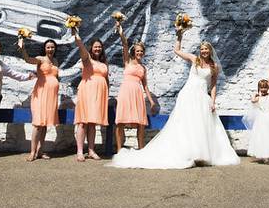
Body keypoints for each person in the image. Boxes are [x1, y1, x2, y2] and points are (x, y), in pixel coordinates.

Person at [109, 26, 240, 169]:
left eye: (206, 49)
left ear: (210, 50)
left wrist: (213, 102)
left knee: (200, 125)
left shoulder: (214, 66)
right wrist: (179, 35)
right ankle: (188, 152)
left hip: (202, 97)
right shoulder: (194, 59)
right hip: (188, 94)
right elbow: (177, 51)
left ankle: (201, 154)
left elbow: (213, 86)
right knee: (185, 124)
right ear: (200, 50)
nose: (204, 51)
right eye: (202, 49)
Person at [114, 23, 158, 151]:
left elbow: (145, 85)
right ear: (134, 52)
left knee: (140, 122)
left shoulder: (143, 68)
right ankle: (118, 149)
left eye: (141, 51)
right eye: (137, 51)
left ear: (143, 53)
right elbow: (125, 45)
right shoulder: (127, 61)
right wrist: (121, 32)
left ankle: (141, 148)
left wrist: (151, 101)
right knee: (121, 121)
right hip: (125, 92)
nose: (139, 53)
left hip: (137, 93)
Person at [18, 37, 60, 161]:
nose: (50, 49)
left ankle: (40, 151)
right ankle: (32, 152)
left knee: (45, 124)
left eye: (52, 47)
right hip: (41, 94)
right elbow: (28, 59)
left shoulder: (56, 61)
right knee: (37, 124)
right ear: (45, 48)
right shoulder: (41, 59)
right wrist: (23, 49)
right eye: (48, 47)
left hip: (52, 96)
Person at [72, 26, 109, 161]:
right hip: (87, 92)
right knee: (83, 122)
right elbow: (81, 48)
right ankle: (80, 151)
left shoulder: (104, 63)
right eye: (95, 47)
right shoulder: (87, 60)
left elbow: (106, 80)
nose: (97, 49)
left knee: (93, 123)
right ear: (91, 48)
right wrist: (77, 36)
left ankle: (91, 150)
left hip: (99, 95)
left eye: (100, 47)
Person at [244, 72, 269, 164]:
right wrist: (254, 95)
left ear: (268, 87)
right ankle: (265, 155)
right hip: (262, 119)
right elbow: (253, 101)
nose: (263, 89)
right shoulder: (258, 98)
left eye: (265, 87)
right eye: (261, 87)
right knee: (263, 137)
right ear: (259, 88)